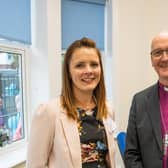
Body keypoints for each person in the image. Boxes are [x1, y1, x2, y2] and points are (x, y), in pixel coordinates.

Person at [26, 37, 116, 168]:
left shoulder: (108, 109)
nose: (89, 71)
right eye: (80, 65)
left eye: (94, 64)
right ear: (68, 71)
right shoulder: (48, 112)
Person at [124, 31, 168, 168]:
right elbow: (131, 154)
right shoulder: (140, 101)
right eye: (158, 53)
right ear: (152, 60)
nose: (164, 58)